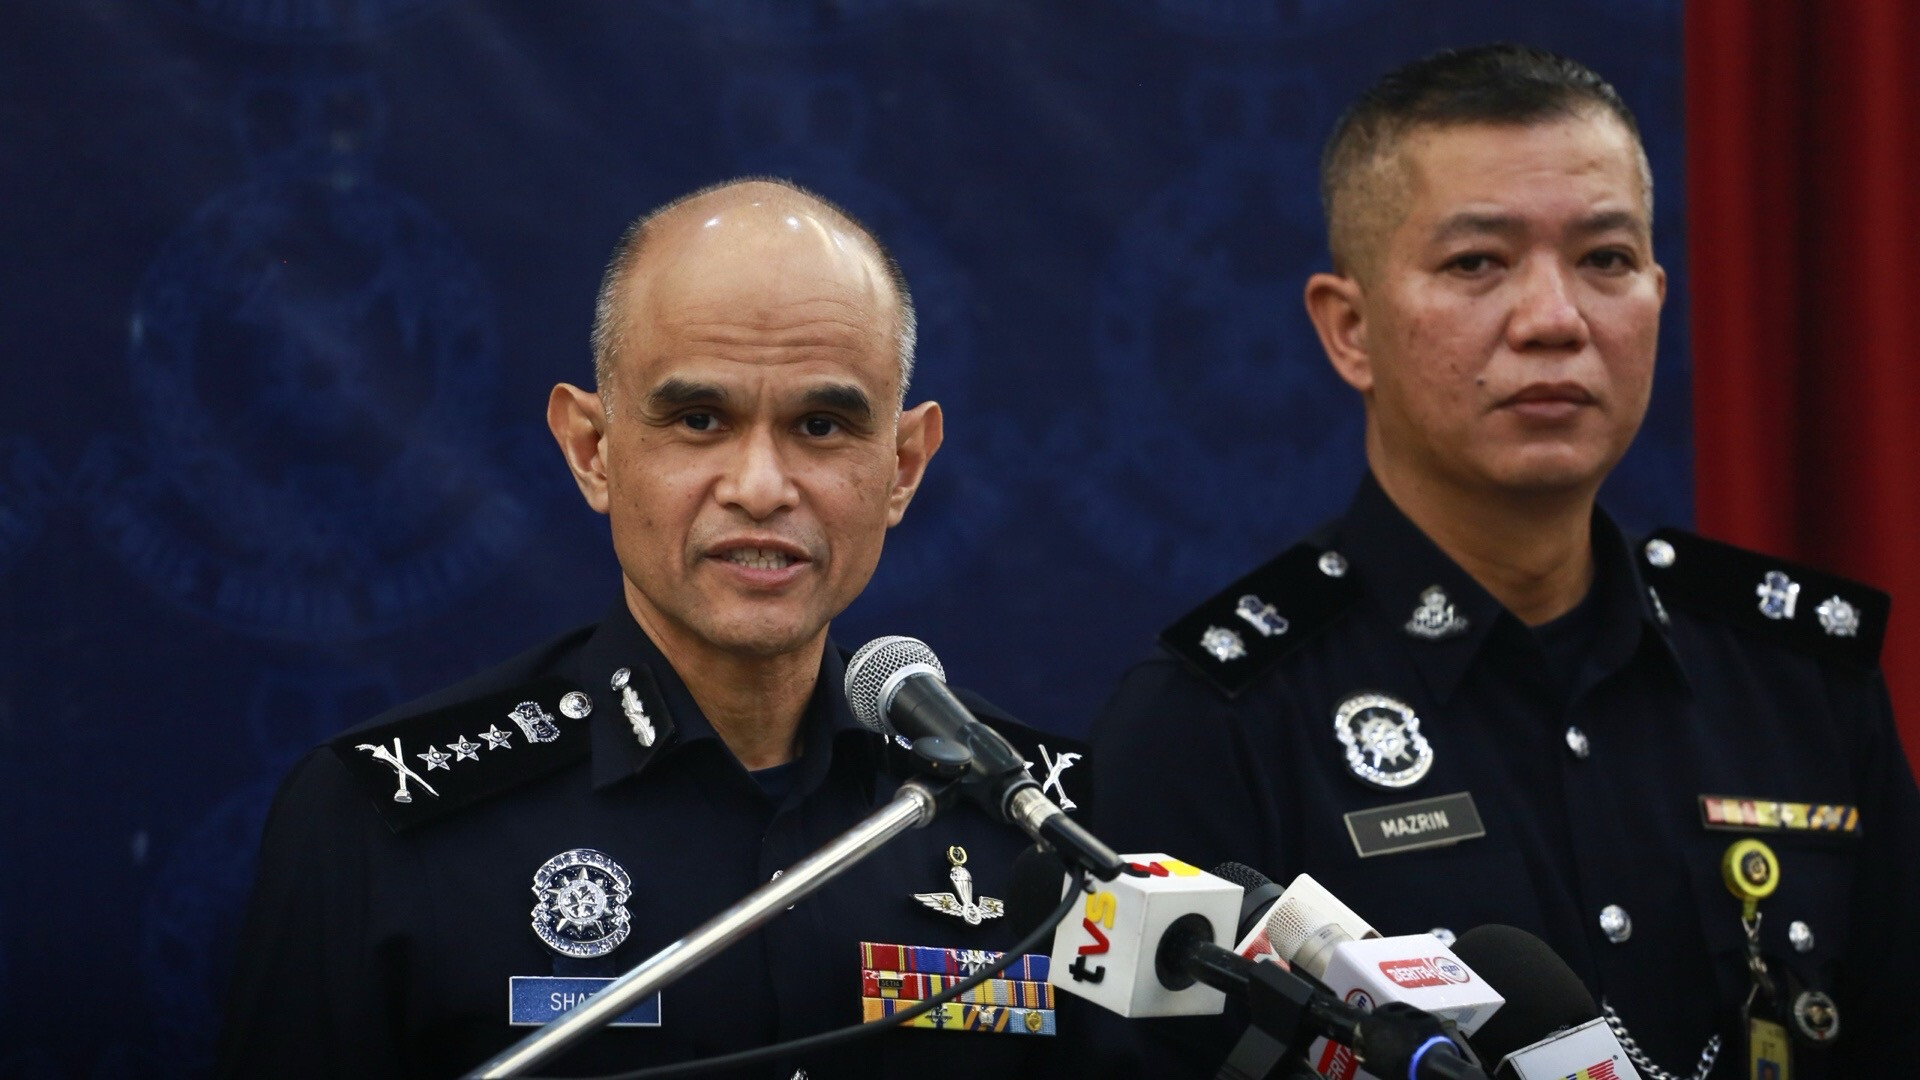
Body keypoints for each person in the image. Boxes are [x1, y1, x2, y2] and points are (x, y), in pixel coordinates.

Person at [1088, 44, 1920, 1079]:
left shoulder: (1795, 681)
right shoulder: (1215, 723)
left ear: (1659, 295)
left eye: (1605, 260)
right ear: (1350, 329)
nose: (1555, 321)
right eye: (1477, 263)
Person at [216, 178, 1104, 1079]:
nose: (760, 488)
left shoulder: (1049, 823)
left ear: (903, 467)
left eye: (821, 425)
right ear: (591, 450)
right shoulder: (383, 820)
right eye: (700, 420)